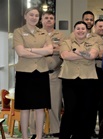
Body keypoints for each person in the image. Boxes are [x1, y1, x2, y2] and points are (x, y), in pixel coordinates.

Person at [13, 7, 53, 139]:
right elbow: (21, 52)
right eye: (31, 15)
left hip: (41, 72)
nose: (34, 17)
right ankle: (25, 136)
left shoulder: (43, 33)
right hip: (24, 73)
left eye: (36, 15)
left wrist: (29, 49)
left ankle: (39, 136)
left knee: (40, 108)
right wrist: (40, 51)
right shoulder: (18, 32)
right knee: (24, 108)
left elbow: (49, 50)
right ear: (25, 16)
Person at [59, 21, 99, 139]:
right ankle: (65, 135)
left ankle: (81, 136)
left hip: (88, 79)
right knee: (70, 109)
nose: (80, 30)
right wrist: (84, 55)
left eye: (83, 28)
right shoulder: (66, 41)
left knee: (85, 109)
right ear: (74, 30)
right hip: (69, 79)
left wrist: (75, 52)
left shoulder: (94, 42)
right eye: (78, 28)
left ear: (87, 31)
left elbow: (92, 55)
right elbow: (65, 56)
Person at [29, 11, 65, 139]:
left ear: (54, 21)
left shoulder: (60, 35)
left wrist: (45, 48)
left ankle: (55, 129)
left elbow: (63, 50)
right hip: (38, 73)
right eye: (46, 18)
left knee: (55, 104)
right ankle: (35, 131)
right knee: (37, 104)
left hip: (55, 74)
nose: (49, 20)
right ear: (41, 20)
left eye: (51, 18)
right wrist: (51, 48)